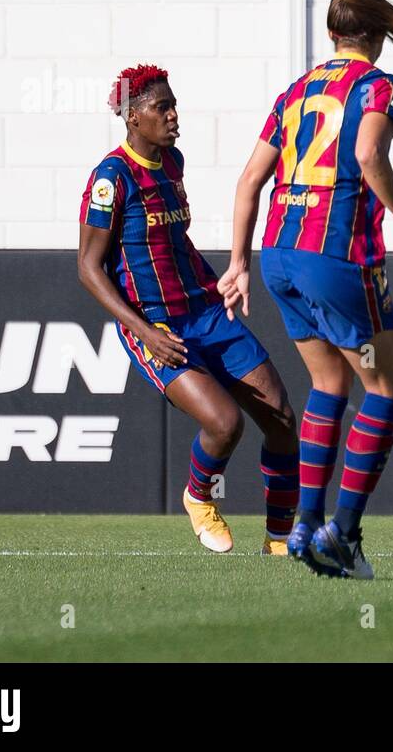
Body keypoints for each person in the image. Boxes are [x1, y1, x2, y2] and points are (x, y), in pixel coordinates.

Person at [220, 0, 393, 580]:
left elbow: (248, 183)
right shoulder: (381, 86)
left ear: (332, 34)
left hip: (278, 258)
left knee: (327, 383)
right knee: (388, 389)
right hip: (336, 258)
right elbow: (368, 155)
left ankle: (303, 528)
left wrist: (237, 263)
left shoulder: (296, 91)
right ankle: (342, 533)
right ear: (378, 34)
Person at [77, 64, 299, 555]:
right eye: (162, 107)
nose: (174, 114)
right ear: (133, 118)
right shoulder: (110, 178)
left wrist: (217, 278)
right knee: (224, 423)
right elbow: (89, 269)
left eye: (174, 104)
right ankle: (198, 497)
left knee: (282, 417)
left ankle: (280, 538)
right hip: (156, 326)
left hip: (205, 311)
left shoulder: (173, 161)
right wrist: (145, 332)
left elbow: (174, 240)